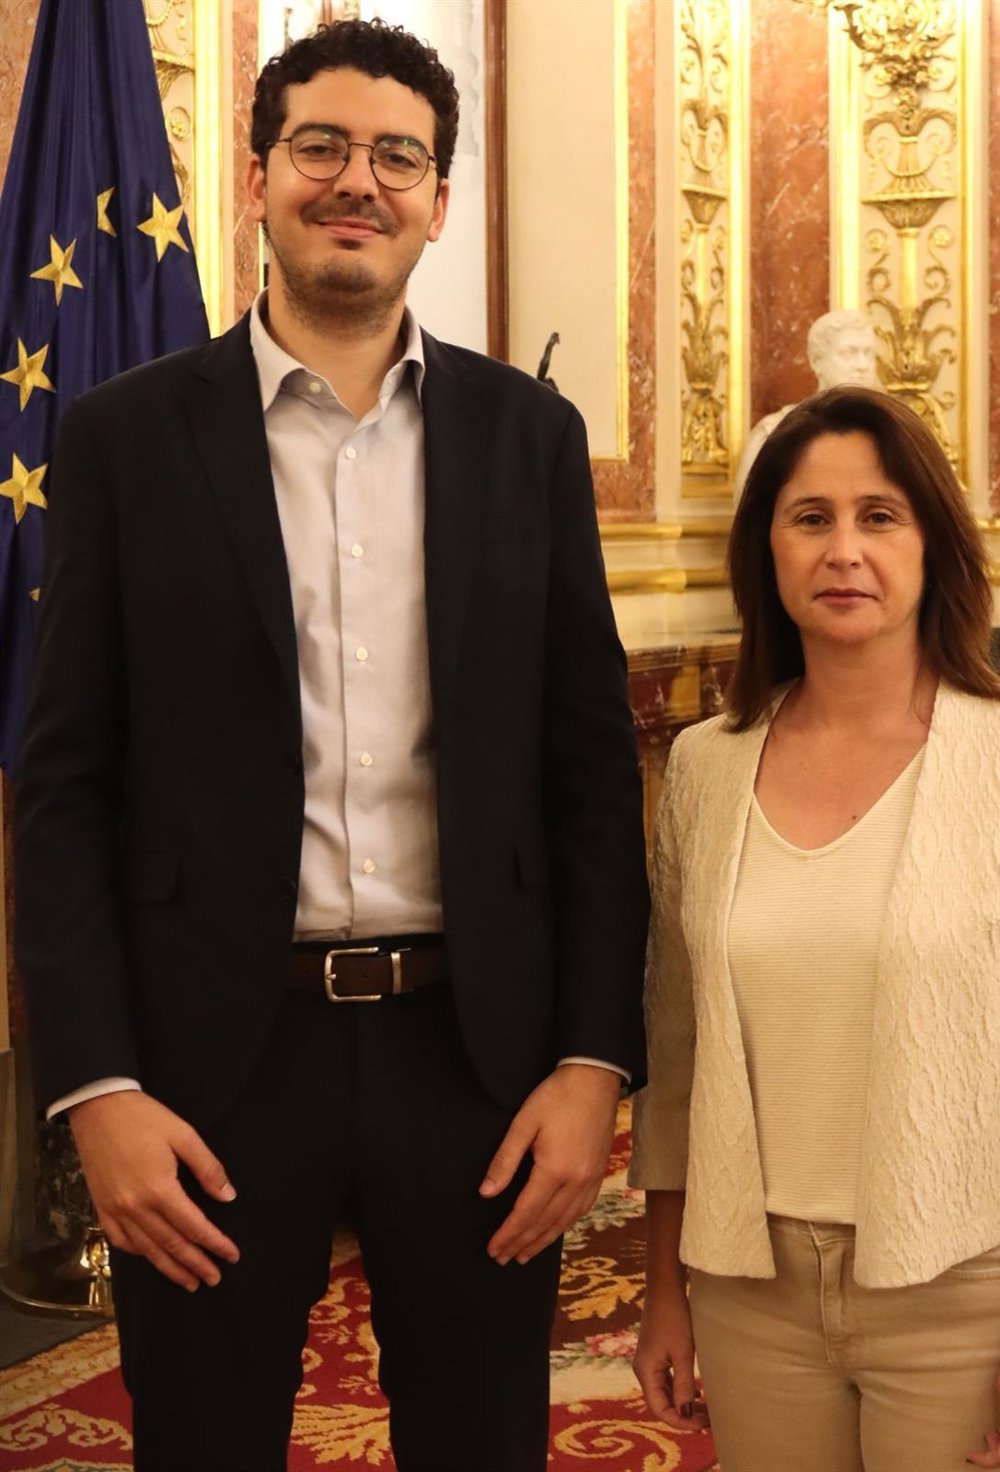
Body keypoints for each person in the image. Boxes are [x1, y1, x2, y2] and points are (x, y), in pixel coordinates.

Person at [16, 19, 648, 1472]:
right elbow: (64, 790)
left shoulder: (528, 438)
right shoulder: (124, 438)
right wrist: (96, 1089)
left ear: (437, 200)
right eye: (321, 147)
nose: (358, 181)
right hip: (208, 1070)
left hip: (474, 1058)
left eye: (397, 157)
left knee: (483, 1444)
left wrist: (591, 1061)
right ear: (256, 178)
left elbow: (587, 776)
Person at [629, 386, 1000, 1472]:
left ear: (932, 543)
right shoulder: (706, 769)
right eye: (810, 517)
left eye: (879, 515)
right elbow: (677, 1064)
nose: (844, 550)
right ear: (767, 548)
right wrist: (664, 1287)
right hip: (749, 1287)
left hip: (964, 1285)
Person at [735, 308, 879, 496]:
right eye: (848, 353)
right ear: (816, 362)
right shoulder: (774, 433)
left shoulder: (892, 432)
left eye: (869, 354)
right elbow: (748, 508)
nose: (863, 365)